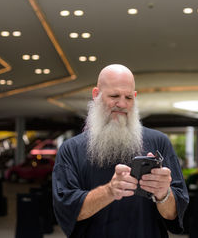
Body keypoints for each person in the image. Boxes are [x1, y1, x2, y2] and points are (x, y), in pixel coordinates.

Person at [52, 64, 189, 238]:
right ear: (96, 95)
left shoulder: (159, 142)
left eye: (129, 97)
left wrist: (163, 194)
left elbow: (173, 215)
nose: (122, 104)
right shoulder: (71, 149)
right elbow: (68, 210)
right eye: (114, 96)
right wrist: (110, 191)